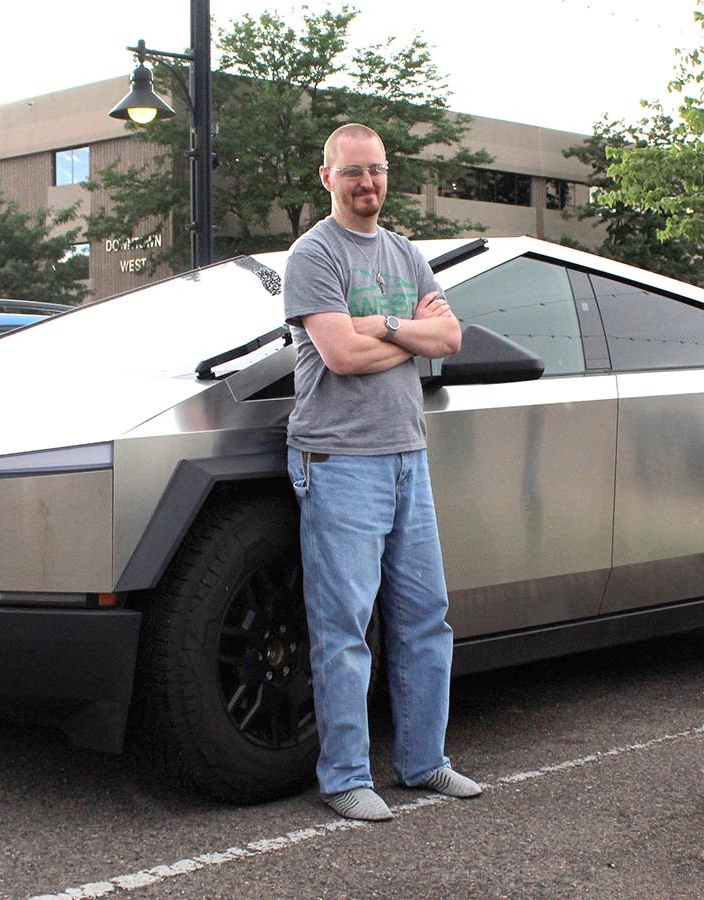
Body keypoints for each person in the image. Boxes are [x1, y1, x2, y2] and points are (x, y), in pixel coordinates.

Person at [283, 123, 479, 822]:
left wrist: (382, 327)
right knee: (344, 626)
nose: (366, 183)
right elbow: (339, 356)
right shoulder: (313, 255)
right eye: (353, 172)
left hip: (406, 456)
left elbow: (451, 338)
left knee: (426, 619)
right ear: (326, 175)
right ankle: (344, 778)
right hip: (339, 461)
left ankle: (425, 762)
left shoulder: (404, 253)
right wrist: (406, 333)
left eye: (376, 171)